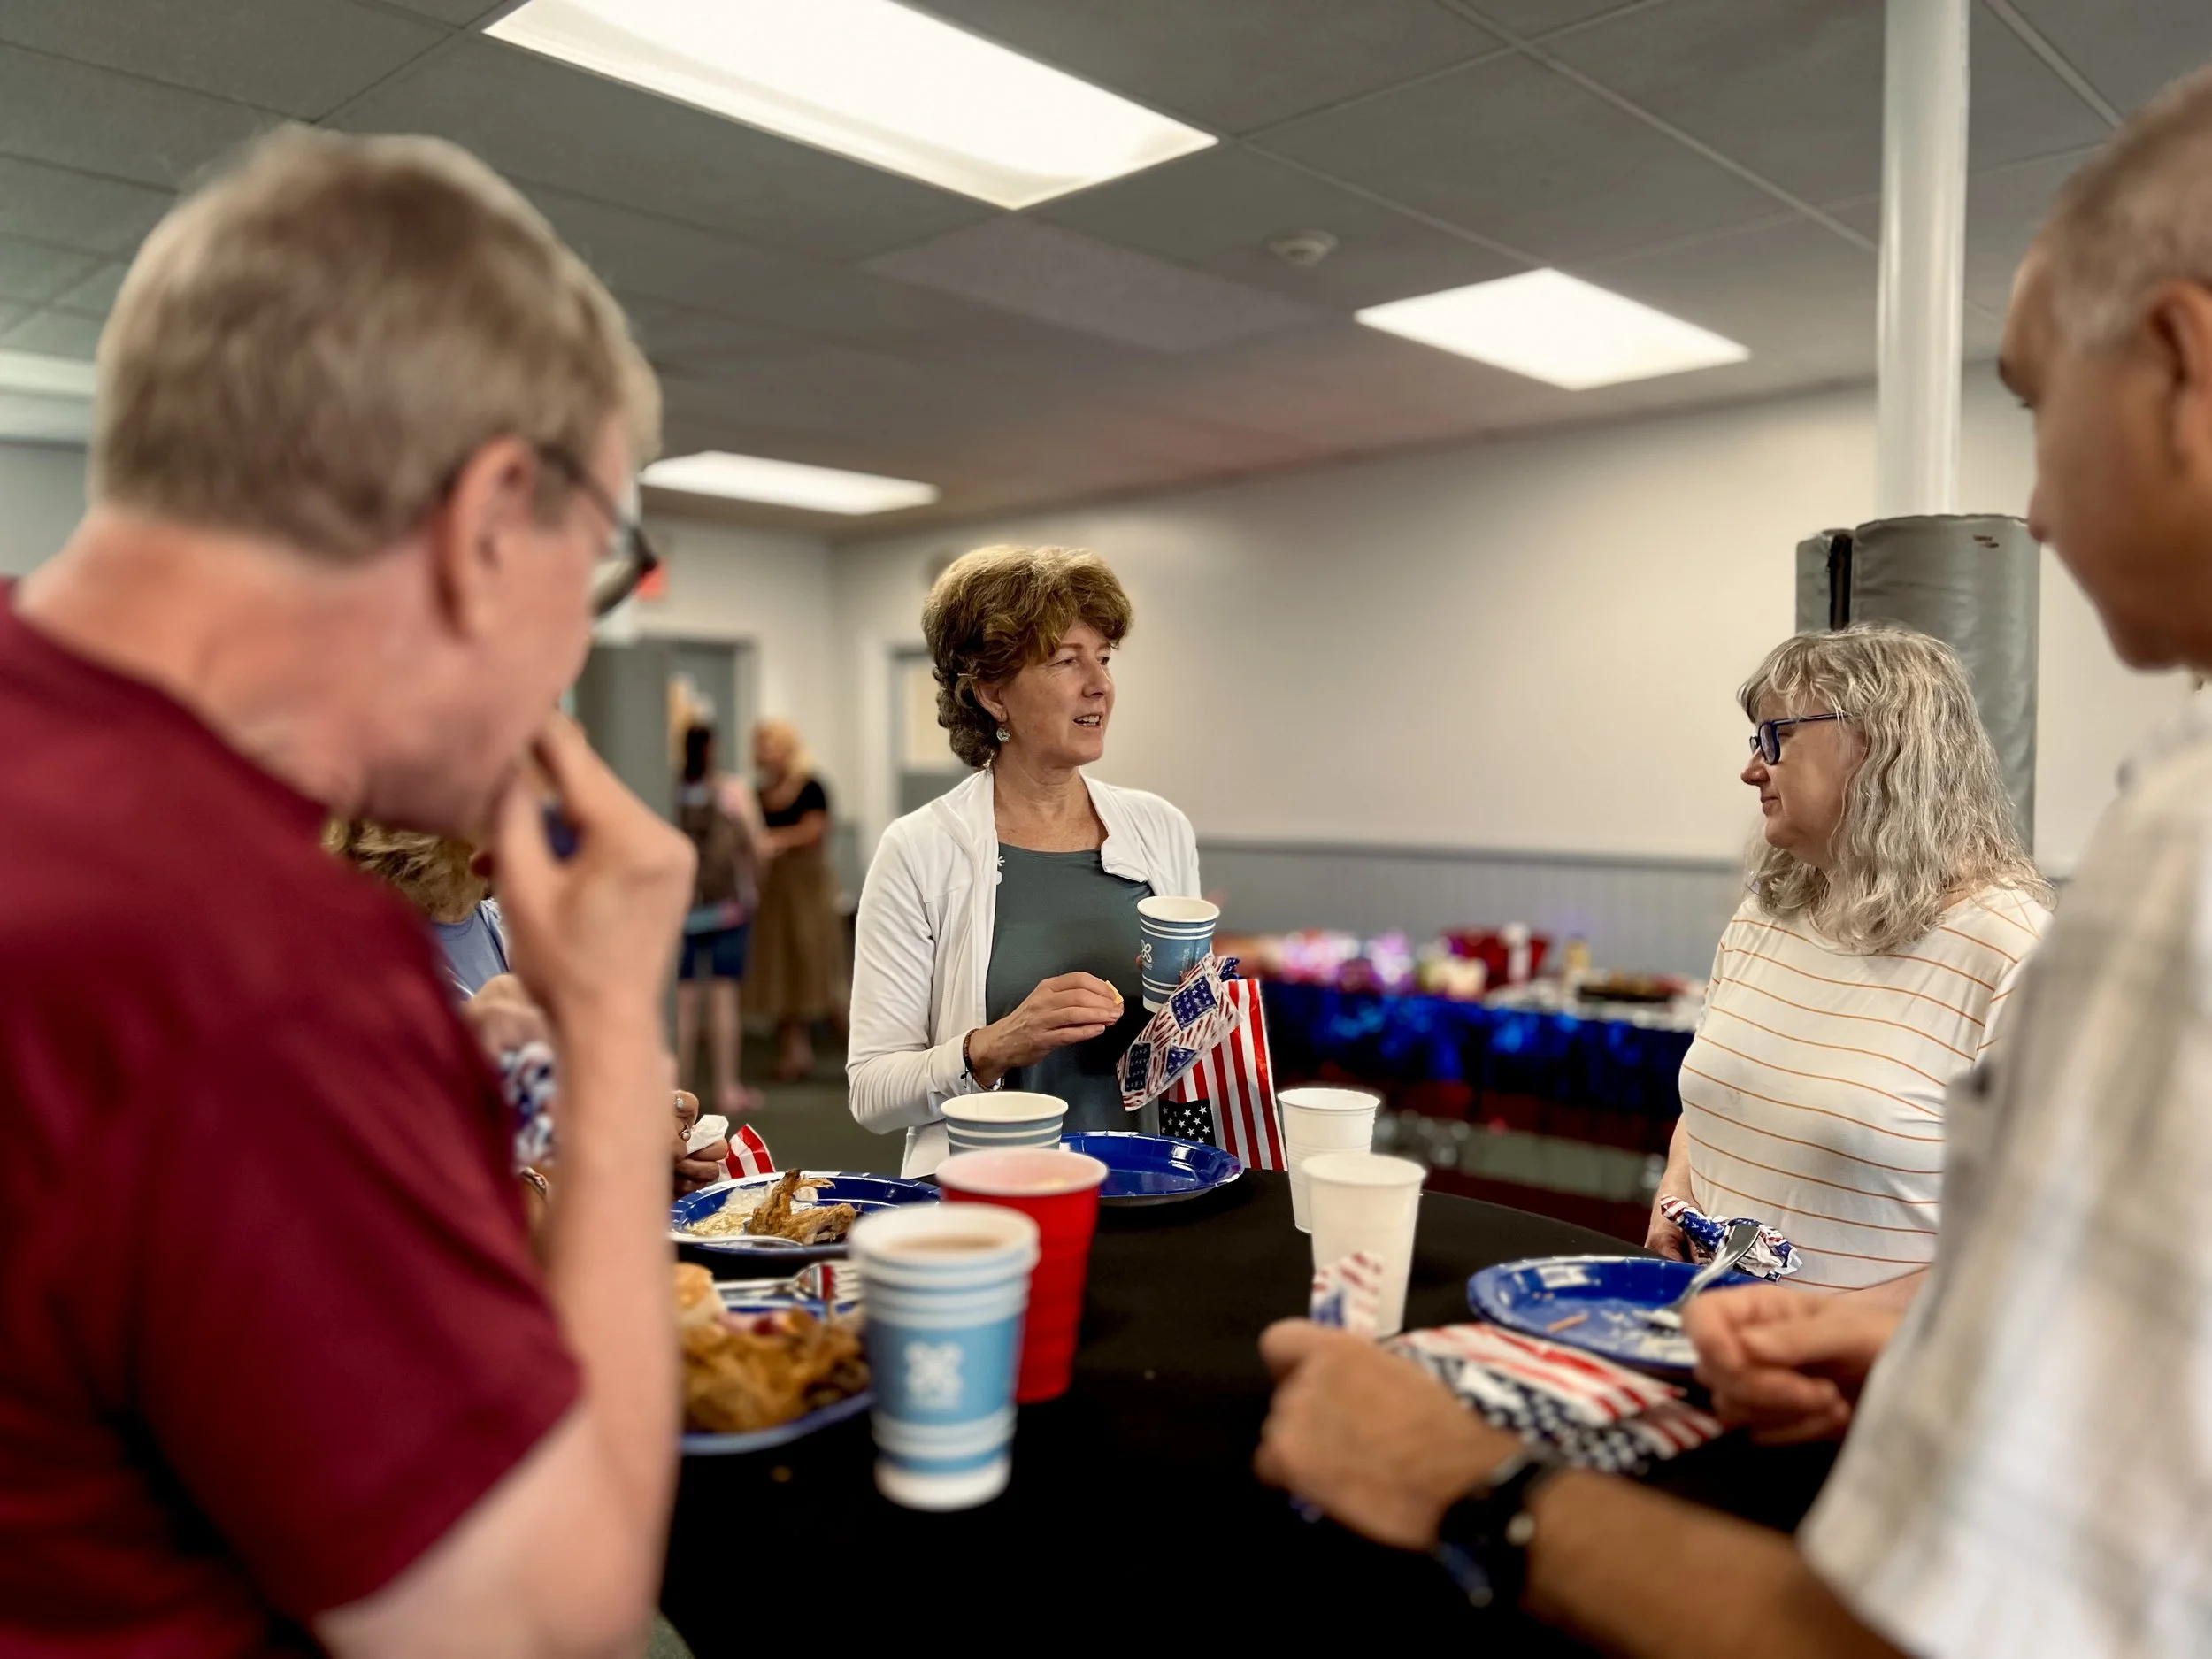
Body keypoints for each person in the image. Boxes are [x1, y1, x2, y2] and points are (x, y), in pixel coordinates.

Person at [1256, 63, 2212, 1657]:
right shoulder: (1791, 906)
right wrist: (1865, 1324)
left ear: (2181, 364)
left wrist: (1468, 1486)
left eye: (2043, 411)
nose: (2032, 511)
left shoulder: (2148, 879)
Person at [0, 127, 698, 1655]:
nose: (568, 657)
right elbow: (541, 1625)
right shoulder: (256, 962)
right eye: (591, 580)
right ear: (487, 518)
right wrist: (611, 1042)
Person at [1647, 626, 2051, 1292]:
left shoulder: (2012, 949)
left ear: (1879, 744)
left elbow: (2033, 1244)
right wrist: (1677, 1185)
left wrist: (1823, 1329)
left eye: (1776, 737)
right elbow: (1721, 1090)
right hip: (1725, 1344)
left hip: (1882, 1381)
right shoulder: (1767, 912)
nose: (1752, 768)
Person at [848, 544, 1201, 1176]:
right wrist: (994, 1046)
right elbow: (872, 1093)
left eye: (1104, 658)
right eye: (1067, 660)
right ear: (992, 694)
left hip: (1150, 1187)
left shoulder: (1161, 829)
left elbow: (1186, 1046)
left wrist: (1197, 1009)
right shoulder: (920, 850)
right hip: (992, 1198)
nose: (1100, 683)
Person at [674, 722, 769, 1113]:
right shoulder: (732, 790)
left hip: (682, 910)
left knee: (683, 1002)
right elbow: (758, 846)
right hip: (728, 910)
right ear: (714, 747)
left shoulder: (670, 789)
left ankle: (679, 1091)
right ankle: (727, 1088)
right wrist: (756, 889)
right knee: (723, 999)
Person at [748, 717, 842, 1079]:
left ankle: (862, 1047)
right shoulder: (758, 792)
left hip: (808, 889)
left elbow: (814, 831)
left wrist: (775, 842)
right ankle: (794, 1053)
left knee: (816, 966)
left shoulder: (811, 786)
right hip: (774, 890)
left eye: (768, 743)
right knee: (780, 968)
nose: (762, 752)